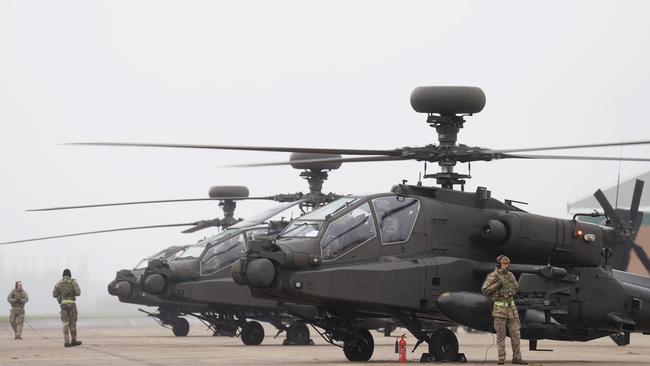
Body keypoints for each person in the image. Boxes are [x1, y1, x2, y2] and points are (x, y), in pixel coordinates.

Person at [481, 255, 527, 365]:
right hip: (500, 309)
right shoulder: (494, 275)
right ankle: (501, 358)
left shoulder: (510, 275)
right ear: (499, 264)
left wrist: (510, 292)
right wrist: (497, 285)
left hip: (511, 308)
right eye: (505, 263)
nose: (507, 265)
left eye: (508, 263)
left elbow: (516, 287)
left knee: (516, 334)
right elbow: (485, 290)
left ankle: (517, 357)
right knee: (501, 336)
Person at [52, 269, 82, 347]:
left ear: (63, 275)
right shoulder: (73, 282)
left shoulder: (59, 283)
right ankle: (74, 340)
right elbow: (78, 293)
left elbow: (54, 294)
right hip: (72, 305)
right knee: (73, 323)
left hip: (63, 305)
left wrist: (60, 295)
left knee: (65, 323)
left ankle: (67, 342)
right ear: (70, 275)